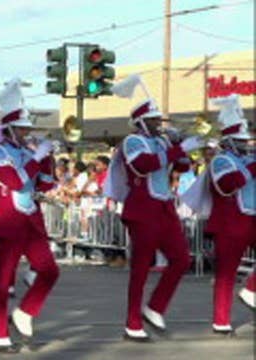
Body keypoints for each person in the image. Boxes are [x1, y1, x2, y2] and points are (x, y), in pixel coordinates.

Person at [105, 74, 204, 342]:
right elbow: (143, 165)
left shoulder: (162, 142)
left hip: (164, 208)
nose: (158, 124)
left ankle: (155, 307)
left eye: (158, 120)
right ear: (140, 121)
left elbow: (182, 168)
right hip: (142, 209)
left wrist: (180, 148)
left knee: (181, 259)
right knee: (140, 268)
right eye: (153, 120)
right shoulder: (131, 142)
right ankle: (132, 322)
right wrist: (175, 148)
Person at [0, 78, 59, 353]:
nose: (27, 133)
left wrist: (47, 158)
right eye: (22, 129)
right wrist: (34, 157)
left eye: (28, 129)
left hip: (31, 219)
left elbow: (45, 184)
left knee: (50, 270)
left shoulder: (26, 152)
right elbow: (13, 181)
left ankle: (25, 312)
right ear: (9, 129)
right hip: (9, 221)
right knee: (4, 281)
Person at [182, 94, 256, 334]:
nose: (246, 144)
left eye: (246, 140)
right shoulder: (220, 161)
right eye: (240, 140)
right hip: (229, 224)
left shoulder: (248, 159)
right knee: (226, 274)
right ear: (229, 141)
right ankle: (221, 321)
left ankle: (251, 290)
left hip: (251, 219)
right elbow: (228, 184)